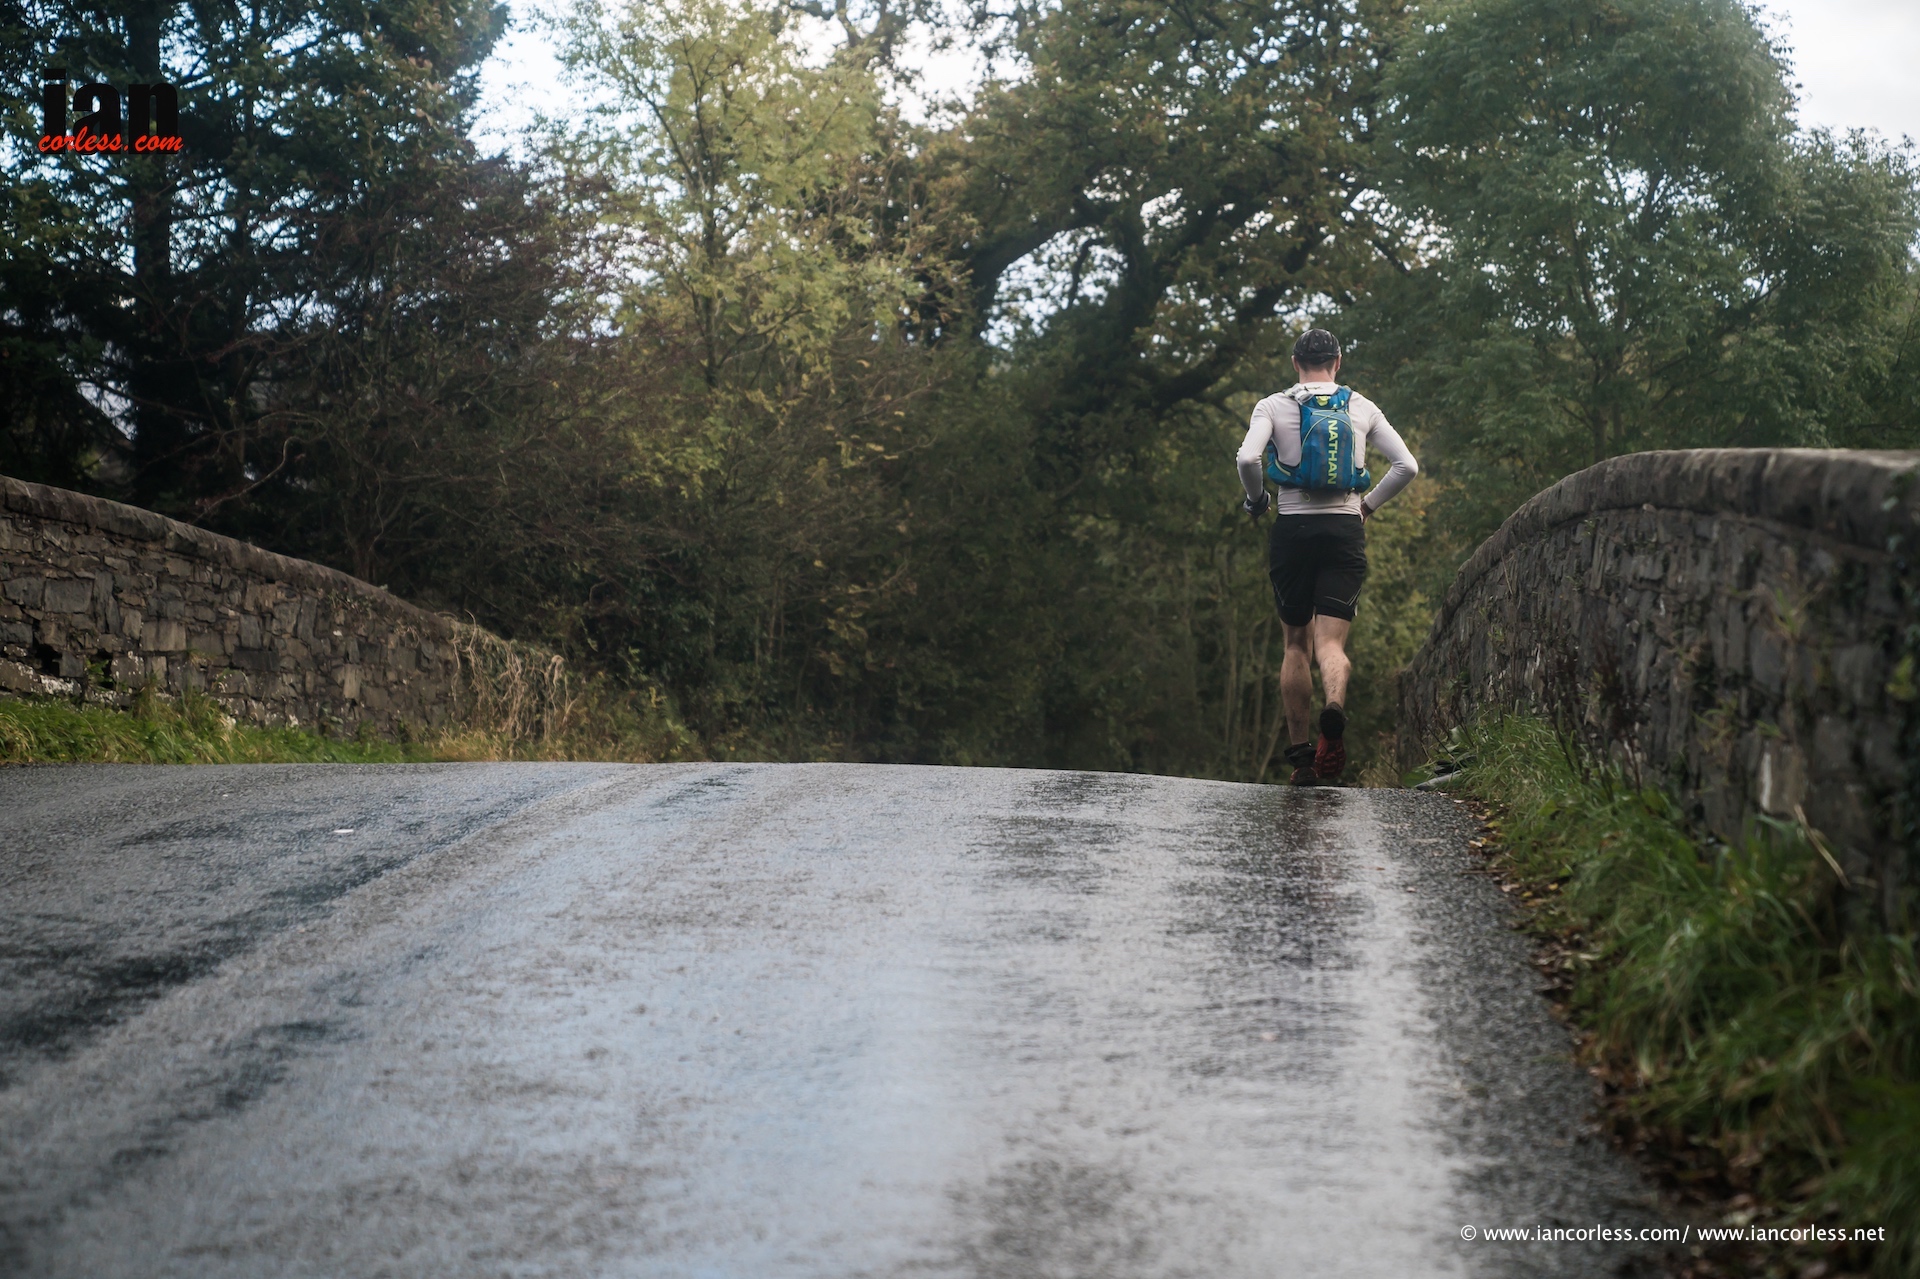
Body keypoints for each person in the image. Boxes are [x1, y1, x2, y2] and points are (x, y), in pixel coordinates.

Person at [1236, 328, 1418, 785]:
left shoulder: (1273, 406)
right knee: (1331, 644)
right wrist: (1367, 508)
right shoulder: (1362, 406)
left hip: (1293, 530)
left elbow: (1247, 460)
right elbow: (1407, 466)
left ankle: (1302, 760)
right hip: (1344, 528)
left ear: (1295, 363)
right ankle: (1333, 708)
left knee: (1295, 644)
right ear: (1337, 363)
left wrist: (1257, 501)